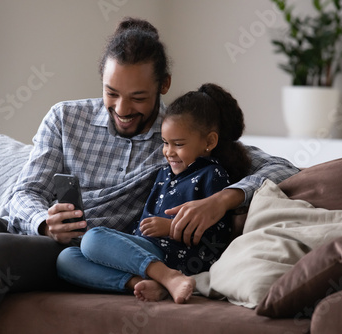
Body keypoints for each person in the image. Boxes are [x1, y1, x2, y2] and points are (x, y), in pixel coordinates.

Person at [0, 17, 299, 334]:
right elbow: (26, 190)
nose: (122, 109)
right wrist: (42, 222)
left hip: (80, 253)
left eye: (138, 98)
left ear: (164, 86)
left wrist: (222, 200)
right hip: (31, 231)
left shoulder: (180, 136)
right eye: (112, 93)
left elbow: (283, 168)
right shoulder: (66, 118)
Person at [57, 83, 252, 304]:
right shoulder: (164, 173)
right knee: (67, 258)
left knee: (93, 238)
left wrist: (171, 228)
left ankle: (169, 277)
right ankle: (151, 283)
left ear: (209, 142)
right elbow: (145, 221)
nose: (169, 152)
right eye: (165, 143)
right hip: (147, 250)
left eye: (178, 144)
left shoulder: (213, 174)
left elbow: (218, 238)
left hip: (180, 256)